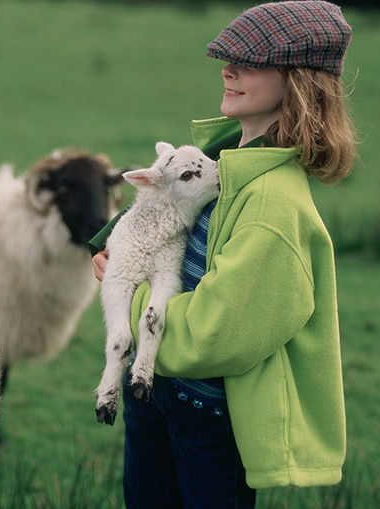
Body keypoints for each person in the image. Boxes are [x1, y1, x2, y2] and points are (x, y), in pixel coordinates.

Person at [90, 2, 356, 507]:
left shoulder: (274, 206)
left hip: (209, 421)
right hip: (155, 394)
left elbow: (216, 331)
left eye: (251, 61)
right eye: (228, 57)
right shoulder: (226, 160)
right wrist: (114, 253)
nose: (227, 70)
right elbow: (164, 223)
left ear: (299, 81)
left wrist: (125, 299)